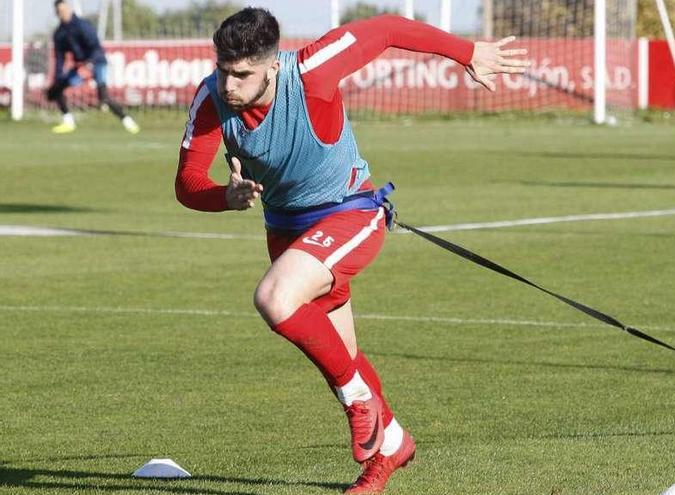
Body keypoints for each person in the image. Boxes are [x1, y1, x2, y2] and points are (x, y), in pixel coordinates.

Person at [174, 8, 528, 493]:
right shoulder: (212, 98)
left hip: (351, 211)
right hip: (285, 231)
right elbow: (187, 183)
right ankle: (391, 448)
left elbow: (385, 29)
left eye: (241, 74)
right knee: (341, 353)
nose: (229, 84)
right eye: (222, 70)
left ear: (272, 65)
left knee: (275, 299)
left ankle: (359, 400)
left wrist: (469, 52)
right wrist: (225, 196)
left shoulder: (312, 70)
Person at [47, 0, 139, 134]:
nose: (63, 13)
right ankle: (68, 122)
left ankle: (128, 121)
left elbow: (96, 48)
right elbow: (59, 58)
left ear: (69, 9)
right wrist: (57, 78)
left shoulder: (82, 26)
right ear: (57, 13)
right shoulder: (59, 34)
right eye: (60, 11)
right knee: (57, 88)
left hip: (97, 62)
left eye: (65, 10)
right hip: (81, 66)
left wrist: (90, 64)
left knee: (104, 98)